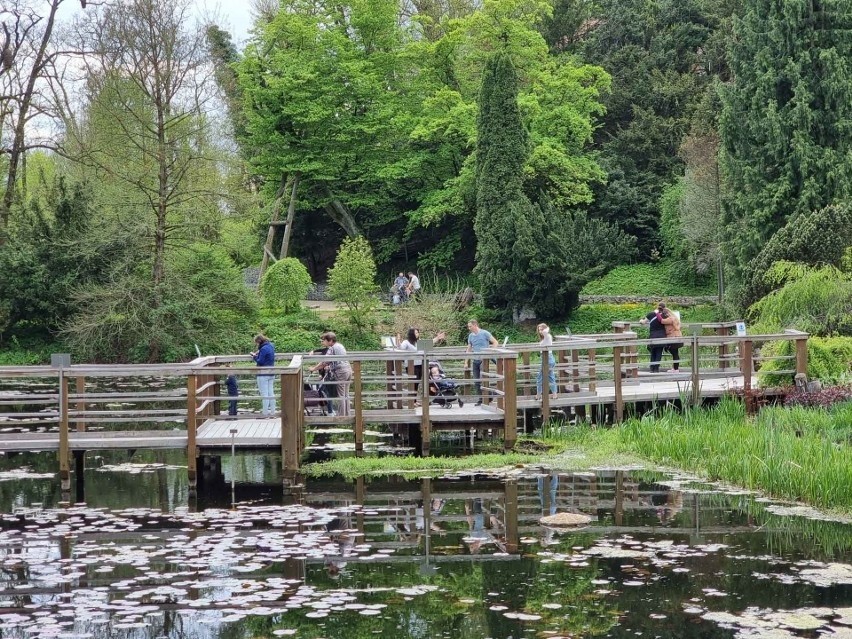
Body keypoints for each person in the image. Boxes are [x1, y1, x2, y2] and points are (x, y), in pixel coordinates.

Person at [310, 332, 352, 416]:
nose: (323, 342)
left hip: (341, 372)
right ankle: (347, 413)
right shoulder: (340, 346)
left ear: (330, 340)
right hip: (348, 370)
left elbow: (324, 362)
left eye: (324, 340)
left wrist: (314, 368)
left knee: (341, 395)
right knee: (345, 394)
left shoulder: (332, 348)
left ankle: (342, 416)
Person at [466, 319, 498, 406]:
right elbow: (469, 349)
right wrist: (466, 362)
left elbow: (495, 342)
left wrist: (490, 351)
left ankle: (489, 396)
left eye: (470, 326)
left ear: (475, 325)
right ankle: (481, 399)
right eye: (468, 326)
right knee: (476, 381)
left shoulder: (484, 333)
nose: (469, 328)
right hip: (475, 360)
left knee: (483, 379)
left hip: (484, 359)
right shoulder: (470, 336)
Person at [250, 334, 276, 415]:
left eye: (257, 343)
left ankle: (265, 414)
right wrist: (259, 352)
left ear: (259, 341)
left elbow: (260, 361)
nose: (256, 345)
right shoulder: (271, 345)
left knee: (264, 394)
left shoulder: (263, 349)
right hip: (271, 372)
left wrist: (254, 356)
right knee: (271, 393)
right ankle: (273, 413)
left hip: (263, 374)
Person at [639, 304, 667, 373]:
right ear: (664, 308)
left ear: (657, 307)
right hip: (662, 335)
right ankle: (656, 368)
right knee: (659, 352)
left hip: (653, 335)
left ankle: (651, 368)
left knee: (653, 352)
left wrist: (640, 320)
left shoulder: (651, 314)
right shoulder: (664, 315)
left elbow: (643, 322)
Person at [658, 302, 683, 371]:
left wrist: (657, 313)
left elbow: (662, 321)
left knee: (674, 353)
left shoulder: (670, 319)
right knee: (675, 353)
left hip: (673, 337)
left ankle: (675, 368)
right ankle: (675, 368)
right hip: (677, 336)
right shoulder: (675, 317)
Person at [536, 322, 558, 400]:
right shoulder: (545, 337)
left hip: (548, 358)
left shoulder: (547, 336)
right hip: (546, 358)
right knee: (551, 376)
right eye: (539, 330)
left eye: (541, 329)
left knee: (539, 377)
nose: (540, 331)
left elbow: (545, 332)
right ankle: (554, 394)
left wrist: (546, 328)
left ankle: (538, 395)